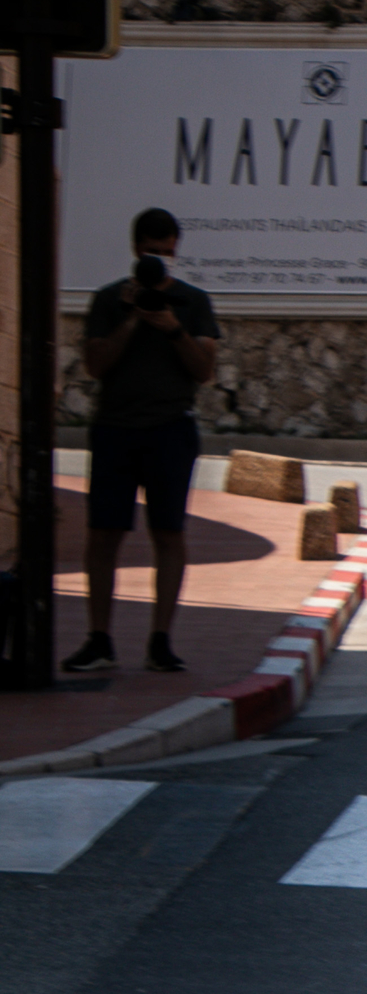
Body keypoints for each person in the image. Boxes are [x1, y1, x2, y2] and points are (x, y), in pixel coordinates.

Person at [64, 208, 221, 674]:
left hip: (171, 429)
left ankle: (160, 640)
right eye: (150, 252)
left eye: (165, 252)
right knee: (103, 535)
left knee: (169, 533)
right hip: (115, 428)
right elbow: (96, 364)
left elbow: (205, 370)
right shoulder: (110, 301)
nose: (158, 260)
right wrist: (133, 317)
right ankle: (99, 638)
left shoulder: (193, 303)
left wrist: (171, 326)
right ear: (136, 251)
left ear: (175, 249)